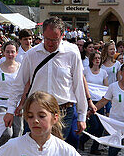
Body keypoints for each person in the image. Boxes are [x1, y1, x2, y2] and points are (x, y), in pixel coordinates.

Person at [7, 18, 88, 147]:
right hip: (36, 112)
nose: (50, 43)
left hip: (63, 111)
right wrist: (10, 110)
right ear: (42, 35)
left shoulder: (72, 52)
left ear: (62, 35)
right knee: (33, 150)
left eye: (55, 39)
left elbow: (78, 84)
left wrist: (82, 116)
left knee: (58, 154)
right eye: (47, 39)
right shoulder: (32, 55)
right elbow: (19, 84)